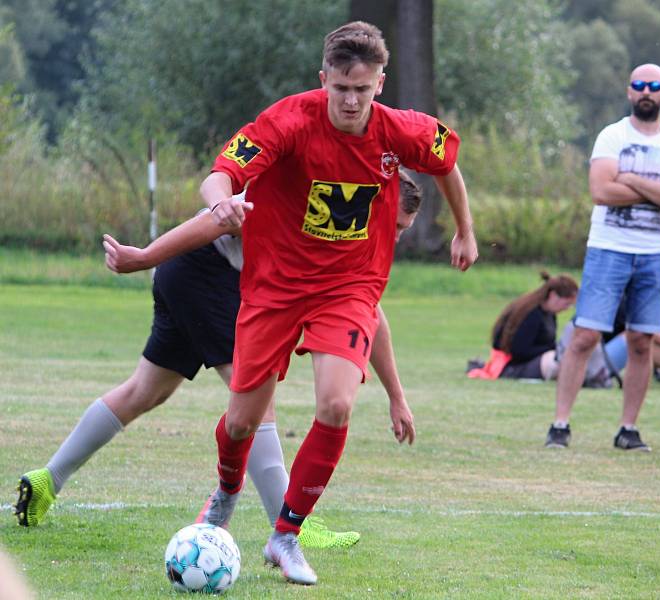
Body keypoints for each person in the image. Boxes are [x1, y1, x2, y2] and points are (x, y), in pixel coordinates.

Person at [173, 21, 476, 586]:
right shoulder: (287, 120)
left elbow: (447, 163)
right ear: (324, 80)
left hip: (349, 288)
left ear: (380, 83)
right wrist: (222, 208)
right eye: (341, 88)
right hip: (275, 289)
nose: (351, 101)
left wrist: (465, 229)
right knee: (240, 423)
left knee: (337, 405)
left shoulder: (400, 130)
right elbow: (220, 175)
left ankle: (286, 535)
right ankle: (225, 493)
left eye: (362, 89)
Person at [14, 172, 424, 553]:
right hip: (204, 274)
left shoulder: (354, 233)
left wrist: (397, 396)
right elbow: (215, 221)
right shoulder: (314, 202)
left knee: (146, 391)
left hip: (192, 277)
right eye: (399, 225)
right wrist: (143, 257)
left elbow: (369, 309)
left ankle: (48, 480)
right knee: (257, 399)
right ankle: (289, 525)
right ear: (379, 202)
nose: (399, 236)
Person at [545, 63, 660, 451]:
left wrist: (630, 180)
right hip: (608, 249)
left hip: (654, 254)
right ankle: (560, 424)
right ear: (629, 92)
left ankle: (628, 429)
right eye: (639, 85)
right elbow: (601, 191)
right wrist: (657, 189)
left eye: (654, 86)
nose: (646, 91)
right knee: (584, 337)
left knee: (642, 342)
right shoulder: (612, 136)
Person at [466, 272, 577, 380]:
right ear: (553, 295)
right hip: (512, 366)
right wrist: (552, 349)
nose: (567, 308)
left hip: (529, 361)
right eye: (567, 303)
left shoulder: (549, 315)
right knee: (555, 360)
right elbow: (519, 351)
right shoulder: (532, 314)